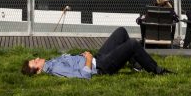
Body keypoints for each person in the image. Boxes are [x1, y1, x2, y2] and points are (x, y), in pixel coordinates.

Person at [22, 27, 172, 78]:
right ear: (38, 70)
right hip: (101, 67)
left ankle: (136, 65)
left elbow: (73, 63)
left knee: (121, 32)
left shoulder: (51, 62)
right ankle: (157, 70)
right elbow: (84, 76)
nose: (37, 58)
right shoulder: (54, 69)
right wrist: (88, 59)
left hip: (97, 58)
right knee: (132, 44)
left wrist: (83, 55)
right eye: (35, 62)